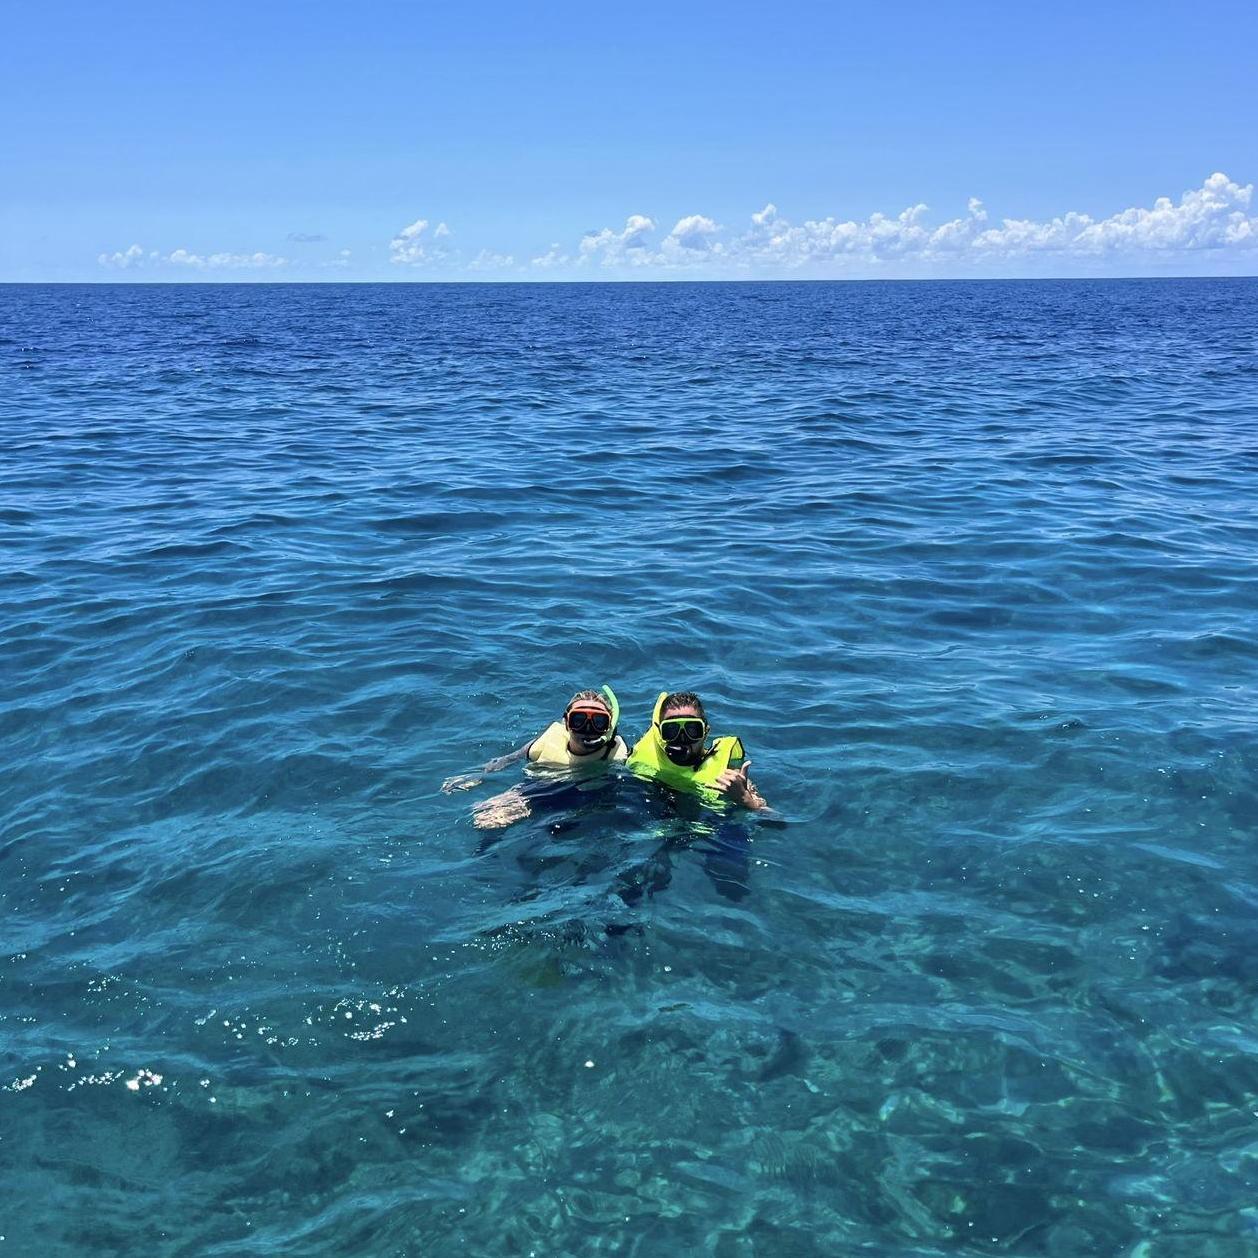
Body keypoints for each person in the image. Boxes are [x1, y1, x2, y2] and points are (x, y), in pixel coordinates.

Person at [441, 687, 627, 824]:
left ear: (609, 727)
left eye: (598, 722)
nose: (588, 729)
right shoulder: (549, 739)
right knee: (486, 819)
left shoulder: (615, 753)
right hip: (540, 788)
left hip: (588, 797)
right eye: (578, 720)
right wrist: (478, 776)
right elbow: (508, 759)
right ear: (566, 723)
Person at [627, 691, 769, 811]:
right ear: (660, 733)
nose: (682, 738)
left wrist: (746, 800)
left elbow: (774, 820)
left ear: (706, 732)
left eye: (692, 729)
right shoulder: (640, 757)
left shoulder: (728, 774)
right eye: (671, 730)